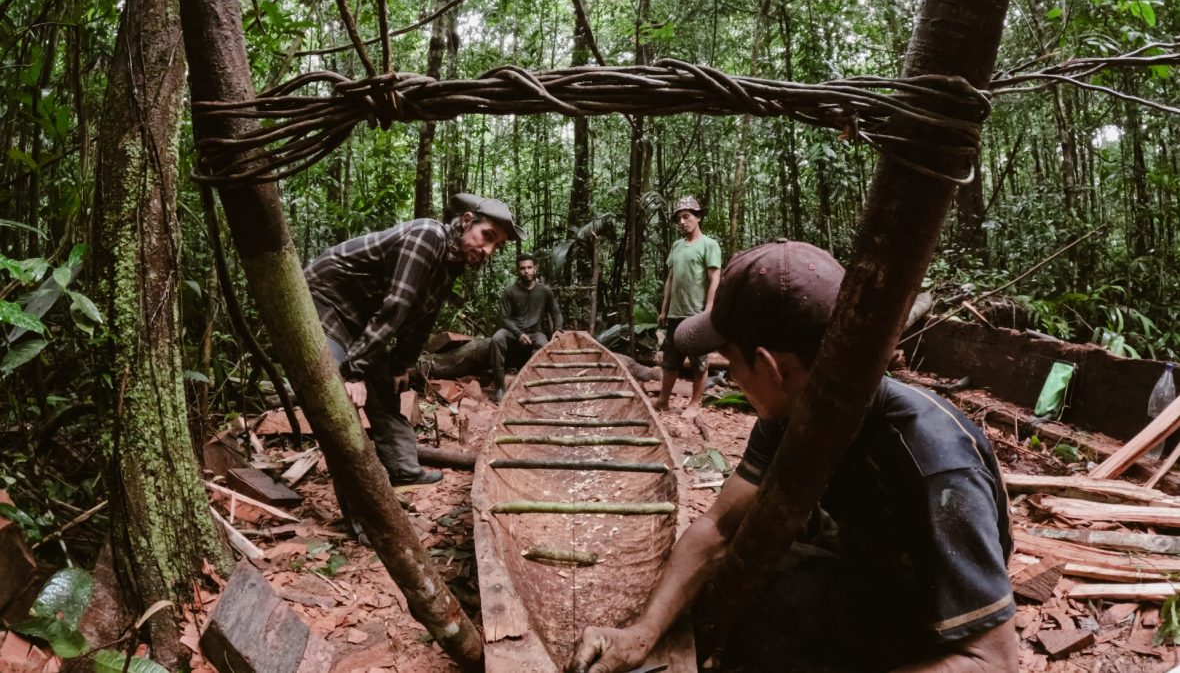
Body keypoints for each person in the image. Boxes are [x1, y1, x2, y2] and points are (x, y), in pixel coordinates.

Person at [569, 241, 1017, 673]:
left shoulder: (938, 463)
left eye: (730, 361)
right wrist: (642, 633)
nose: (732, 376)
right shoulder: (792, 415)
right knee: (740, 582)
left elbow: (991, 661)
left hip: (928, 622)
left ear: (769, 366)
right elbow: (719, 526)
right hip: (865, 565)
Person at [305, 193, 526, 486]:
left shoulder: (451, 264)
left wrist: (400, 364)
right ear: (467, 221)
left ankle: (402, 469)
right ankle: (361, 503)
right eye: (487, 236)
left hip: (361, 318)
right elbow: (397, 305)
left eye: (496, 246)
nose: (488, 250)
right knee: (338, 395)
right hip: (325, 301)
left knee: (385, 385)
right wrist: (353, 371)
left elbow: (422, 320)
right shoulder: (428, 236)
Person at [655, 196, 721, 421]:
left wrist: (708, 310)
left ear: (698, 217)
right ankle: (663, 400)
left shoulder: (709, 245)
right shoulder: (676, 246)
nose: (682, 222)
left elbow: (715, 279)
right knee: (670, 360)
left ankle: (694, 404)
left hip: (696, 315)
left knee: (699, 363)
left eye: (687, 216)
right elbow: (670, 279)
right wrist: (664, 309)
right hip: (675, 313)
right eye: (679, 218)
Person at [490, 253, 563, 403]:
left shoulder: (544, 291)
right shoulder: (509, 291)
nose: (526, 271)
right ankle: (499, 387)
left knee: (543, 344)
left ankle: (533, 386)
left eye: (529, 267)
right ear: (518, 270)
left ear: (535, 268)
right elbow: (504, 318)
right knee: (497, 338)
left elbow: (556, 313)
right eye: (522, 268)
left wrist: (558, 330)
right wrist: (518, 333)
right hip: (512, 332)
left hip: (536, 333)